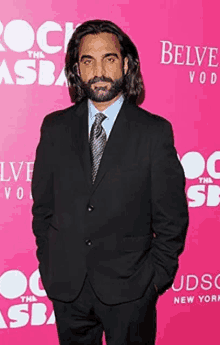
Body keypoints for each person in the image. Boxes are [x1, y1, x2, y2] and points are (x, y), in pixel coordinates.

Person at [32, 19, 189, 345]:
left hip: (132, 293)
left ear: (126, 64)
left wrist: (153, 280)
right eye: (88, 60)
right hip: (68, 290)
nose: (98, 70)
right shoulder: (55, 128)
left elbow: (172, 219)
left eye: (109, 58)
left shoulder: (154, 132)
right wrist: (49, 264)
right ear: (77, 68)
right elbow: (43, 208)